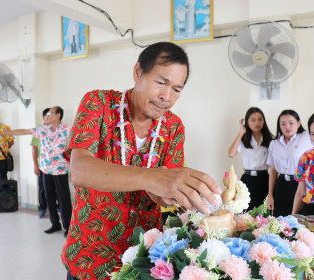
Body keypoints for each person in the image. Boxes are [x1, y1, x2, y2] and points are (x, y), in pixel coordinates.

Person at [61, 42, 221, 280]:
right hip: (90, 257)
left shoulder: (173, 126)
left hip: (144, 260)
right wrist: (149, 177)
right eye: (161, 83)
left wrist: (170, 196)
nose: (166, 97)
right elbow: (79, 171)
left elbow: (167, 188)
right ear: (138, 72)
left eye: (176, 90)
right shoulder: (98, 104)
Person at [6, 106, 72, 236]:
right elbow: (25, 131)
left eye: (49, 113)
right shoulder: (43, 129)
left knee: (63, 199)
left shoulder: (68, 130)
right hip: (46, 169)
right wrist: (7, 132)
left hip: (60, 170)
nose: (46, 116)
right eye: (46, 114)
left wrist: (74, 168)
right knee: (49, 198)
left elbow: (74, 149)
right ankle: (55, 224)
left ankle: (68, 227)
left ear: (58, 115)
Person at [267, 109, 314, 217]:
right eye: (283, 124)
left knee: (298, 220)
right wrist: (270, 194)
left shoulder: (307, 137)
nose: (287, 126)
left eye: (291, 123)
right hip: (281, 185)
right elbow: (273, 171)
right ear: (279, 125)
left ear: (298, 123)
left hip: (299, 184)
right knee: (280, 219)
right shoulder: (274, 143)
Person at [228, 107, 273, 210]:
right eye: (253, 120)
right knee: (246, 211)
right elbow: (231, 154)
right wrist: (241, 132)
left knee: (264, 211)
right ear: (247, 121)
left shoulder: (270, 139)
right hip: (247, 179)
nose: (257, 122)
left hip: (264, 179)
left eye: (260, 119)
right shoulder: (244, 139)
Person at [31, 108, 51, 218]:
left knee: (56, 189)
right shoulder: (38, 130)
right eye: (47, 116)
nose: (49, 118)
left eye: (51, 116)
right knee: (42, 188)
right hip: (42, 165)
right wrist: (35, 165)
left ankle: (58, 208)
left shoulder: (58, 130)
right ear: (43, 117)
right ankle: (43, 208)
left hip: (55, 166)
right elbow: (34, 149)